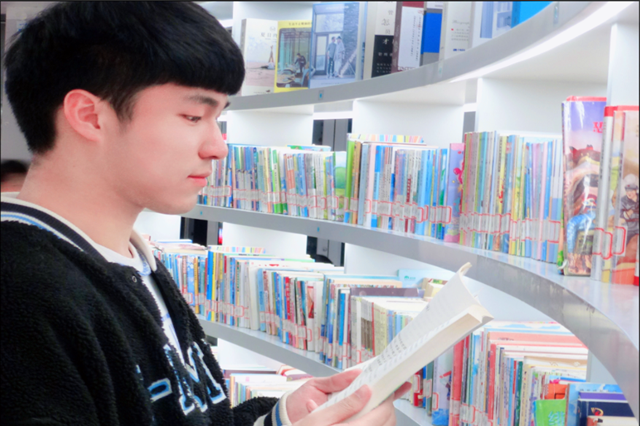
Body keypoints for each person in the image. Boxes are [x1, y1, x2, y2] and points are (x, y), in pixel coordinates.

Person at [0, 3, 410, 426]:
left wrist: (281, 418)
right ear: (90, 116)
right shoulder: (19, 290)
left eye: (218, 118)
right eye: (193, 116)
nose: (218, 147)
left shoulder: (132, 261)